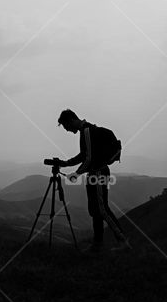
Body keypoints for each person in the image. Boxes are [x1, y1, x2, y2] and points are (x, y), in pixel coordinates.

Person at [56, 108, 130, 252]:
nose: (66, 130)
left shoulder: (87, 131)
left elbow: (88, 158)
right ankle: (98, 244)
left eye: (66, 127)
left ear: (71, 120)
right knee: (95, 210)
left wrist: (76, 174)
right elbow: (84, 155)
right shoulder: (87, 131)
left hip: (98, 174)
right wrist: (65, 163)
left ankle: (123, 241)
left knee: (102, 210)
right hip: (95, 174)